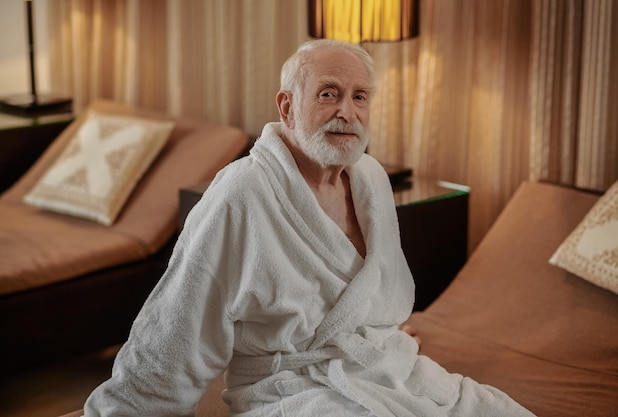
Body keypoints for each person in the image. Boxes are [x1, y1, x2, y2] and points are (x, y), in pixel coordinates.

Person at [82, 39, 534, 416]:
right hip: (289, 389)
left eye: (360, 97)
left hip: (382, 366)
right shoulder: (243, 193)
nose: (348, 112)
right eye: (328, 93)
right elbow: (177, 326)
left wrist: (378, 334)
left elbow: (369, 296)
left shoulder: (372, 179)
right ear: (287, 105)